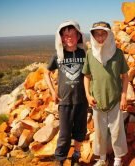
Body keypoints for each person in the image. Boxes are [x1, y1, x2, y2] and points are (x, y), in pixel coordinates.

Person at [82, 21, 128, 166]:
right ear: (93, 36)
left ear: (109, 35)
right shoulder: (90, 54)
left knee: (117, 131)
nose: (100, 37)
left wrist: (124, 96)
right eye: (97, 34)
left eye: (103, 34)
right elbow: (87, 76)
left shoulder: (118, 53)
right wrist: (88, 96)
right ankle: (102, 159)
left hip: (114, 99)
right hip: (97, 100)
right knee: (100, 132)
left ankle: (118, 159)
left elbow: (125, 76)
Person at [44, 20, 88, 166]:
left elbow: (90, 74)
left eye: (72, 35)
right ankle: (60, 160)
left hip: (81, 100)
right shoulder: (58, 55)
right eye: (65, 35)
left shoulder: (84, 53)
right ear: (61, 38)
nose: (69, 38)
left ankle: (76, 156)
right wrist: (52, 92)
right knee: (64, 134)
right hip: (65, 101)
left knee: (80, 131)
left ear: (78, 36)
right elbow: (46, 73)